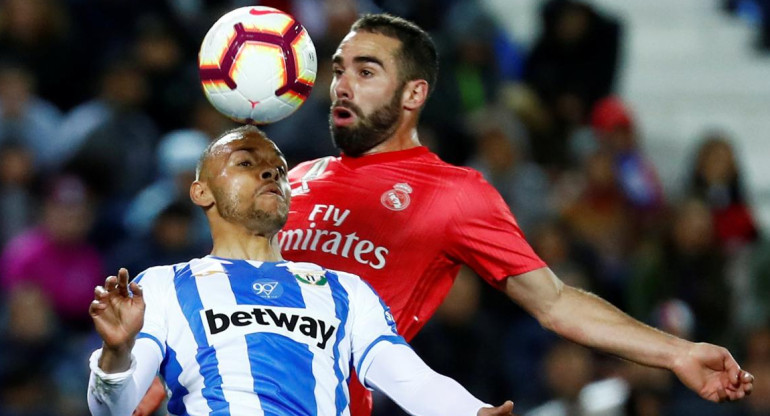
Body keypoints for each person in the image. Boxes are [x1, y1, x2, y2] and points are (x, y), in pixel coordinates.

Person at [277, 13, 755, 416]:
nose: (341, 86)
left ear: (413, 95)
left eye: (365, 72)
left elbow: (556, 303)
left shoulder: (454, 194)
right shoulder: (293, 180)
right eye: (339, 70)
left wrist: (679, 353)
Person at [86, 125, 514, 416]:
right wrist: (116, 354)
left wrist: (472, 410)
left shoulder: (345, 290)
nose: (270, 170)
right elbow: (112, 408)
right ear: (201, 192)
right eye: (245, 163)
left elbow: (410, 379)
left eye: (277, 167)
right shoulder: (162, 286)